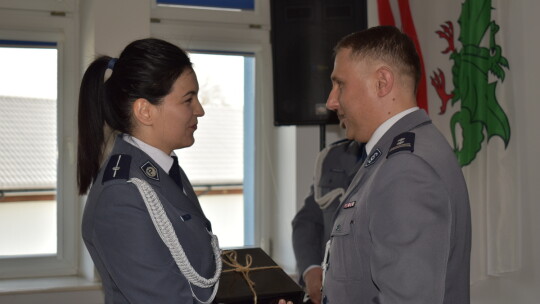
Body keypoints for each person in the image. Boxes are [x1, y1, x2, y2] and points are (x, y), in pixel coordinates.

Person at [322, 25, 471, 304]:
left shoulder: (407, 169)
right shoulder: (393, 154)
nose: (331, 101)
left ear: (382, 82)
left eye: (340, 84)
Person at [78, 38, 221, 304]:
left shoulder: (160, 169)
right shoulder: (122, 194)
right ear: (145, 111)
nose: (199, 110)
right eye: (188, 99)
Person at [292, 138, 366, 304]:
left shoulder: (400, 155)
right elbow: (307, 221)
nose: (332, 109)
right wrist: (310, 268)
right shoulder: (332, 156)